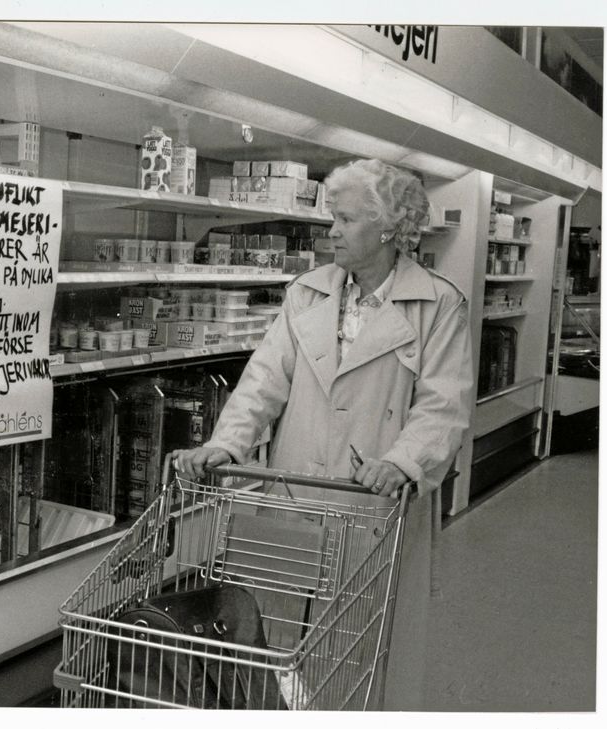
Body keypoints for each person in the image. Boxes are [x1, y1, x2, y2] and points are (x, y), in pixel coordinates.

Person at [172, 158, 474, 710]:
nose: (331, 231)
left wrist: (403, 462)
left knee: (358, 648)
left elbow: (443, 404)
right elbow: (264, 379)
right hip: (295, 495)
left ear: (388, 229)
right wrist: (226, 443)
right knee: (275, 637)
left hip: (371, 501)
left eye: (346, 220)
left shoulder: (438, 304)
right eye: (332, 218)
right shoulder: (307, 293)